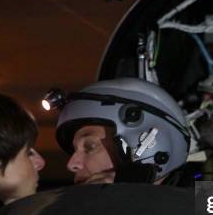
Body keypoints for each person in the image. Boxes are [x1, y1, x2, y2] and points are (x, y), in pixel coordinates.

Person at [55, 78, 191, 185]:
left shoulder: (208, 206)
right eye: (74, 151)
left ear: (151, 147)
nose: (71, 164)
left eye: (90, 147)